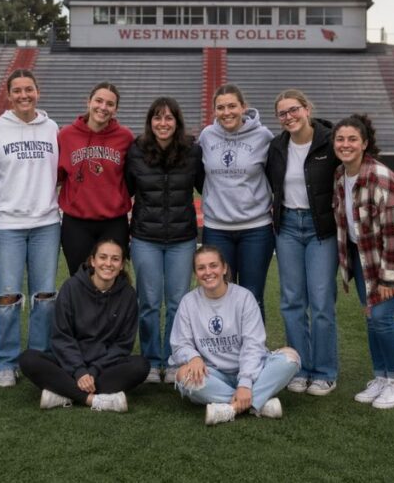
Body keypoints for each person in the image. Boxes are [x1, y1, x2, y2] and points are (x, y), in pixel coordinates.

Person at [333, 114, 394, 410]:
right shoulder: (340, 175)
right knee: (372, 317)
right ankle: (381, 377)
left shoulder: (380, 177)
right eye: (340, 139)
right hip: (364, 257)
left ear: (365, 143)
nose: (345, 144)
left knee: (382, 318)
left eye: (352, 139)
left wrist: (388, 277)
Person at [0, 69, 60, 388]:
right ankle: (6, 361)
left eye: (29, 89)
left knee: (45, 297)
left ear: (38, 92)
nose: (23, 95)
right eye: (17, 90)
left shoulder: (52, 127)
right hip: (7, 225)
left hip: (46, 223)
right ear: (9, 95)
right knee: (7, 297)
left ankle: (38, 357)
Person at [170, 246, 301, 426]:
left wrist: (245, 382)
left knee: (290, 358)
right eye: (201, 268)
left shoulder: (244, 297)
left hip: (252, 372)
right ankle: (258, 403)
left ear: (224, 268)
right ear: (195, 273)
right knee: (183, 375)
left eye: (213, 265)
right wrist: (193, 357)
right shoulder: (188, 302)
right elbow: (179, 344)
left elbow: (253, 345)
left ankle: (230, 407)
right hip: (213, 374)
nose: (208, 272)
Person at [265, 90, 340, 396]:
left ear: (307, 109)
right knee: (292, 301)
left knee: (321, 302)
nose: (289, 117)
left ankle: (324, 371)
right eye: (282, 113)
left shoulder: (330, 141)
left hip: (320, 228)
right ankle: (299, 367)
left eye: (293, 109)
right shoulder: (276, 146)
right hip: (287, 228)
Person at [18, 239, 149, 412]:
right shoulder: (71, 287)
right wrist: (79, 371)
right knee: (28, 359)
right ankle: (93, 399)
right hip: (69, 365)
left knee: (141, 366)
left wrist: (93, 371)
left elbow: (122, 345)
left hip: (104, 367)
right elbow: (61, 337)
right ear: (93, 261)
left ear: (122, 265)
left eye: (115, 259)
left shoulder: (128, 295)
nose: (108, 263)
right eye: (103, 257)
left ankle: (64, 393)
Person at [125, 97, 204, 385]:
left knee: (177, 303)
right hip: (145, 237)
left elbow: (205, 186)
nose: (163, 123)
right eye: (157, 118)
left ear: (177, 122)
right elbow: (126, 189)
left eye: (169, 118)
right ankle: (150, 360)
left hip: (182, 239)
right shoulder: (136, 150)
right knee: (148, 302)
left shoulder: (192, 151)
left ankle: (172, 360)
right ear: (150, 122)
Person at [197, 83, 275, 318]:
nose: (226, 112)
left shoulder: (263, 136)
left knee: (253, 295)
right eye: (220, 107)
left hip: (256, 229)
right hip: (217, 229)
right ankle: (227, 343)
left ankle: (253, 343)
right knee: (220, 293)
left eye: (232, 106)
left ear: (243, 107)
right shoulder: (207, 135)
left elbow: (275, 174)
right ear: (214, 111)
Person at [57, 81, 134, 273]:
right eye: (99, 101)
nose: (103, 107)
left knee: (112, 278)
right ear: (88, 102)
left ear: (116, 109)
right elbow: (59, 176)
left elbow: (131, 177)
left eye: (110, 104)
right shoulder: (66, 135)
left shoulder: (125, 137)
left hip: (114, 222)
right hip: (76, 222)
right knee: (80, 278)